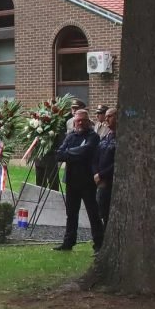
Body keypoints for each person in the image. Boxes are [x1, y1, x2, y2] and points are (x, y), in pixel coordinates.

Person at [52, 108, 102, 252]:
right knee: (71, 214)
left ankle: (99, 243)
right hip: (71, 181)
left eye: (83, 120)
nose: (80, 123)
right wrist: (74, 153)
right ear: (74, 122)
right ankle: (68, 242)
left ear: (88, 122)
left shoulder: (93, 137)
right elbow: (59, 155)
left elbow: (87, 151)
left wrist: (69, 154)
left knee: (93, 213)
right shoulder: (70, 136)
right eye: (77, 120)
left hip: (87, 181)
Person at [94, 106, 117, 228]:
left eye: (110, 116)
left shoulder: (121, 138)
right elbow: (96, 157)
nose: (106, 119)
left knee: (108, 213)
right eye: (106, 116)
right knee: (100, 211)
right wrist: (96, 173)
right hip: (100, 181)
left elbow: (117, 162)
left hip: (111, 181)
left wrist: (101, 175)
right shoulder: (106, 136)